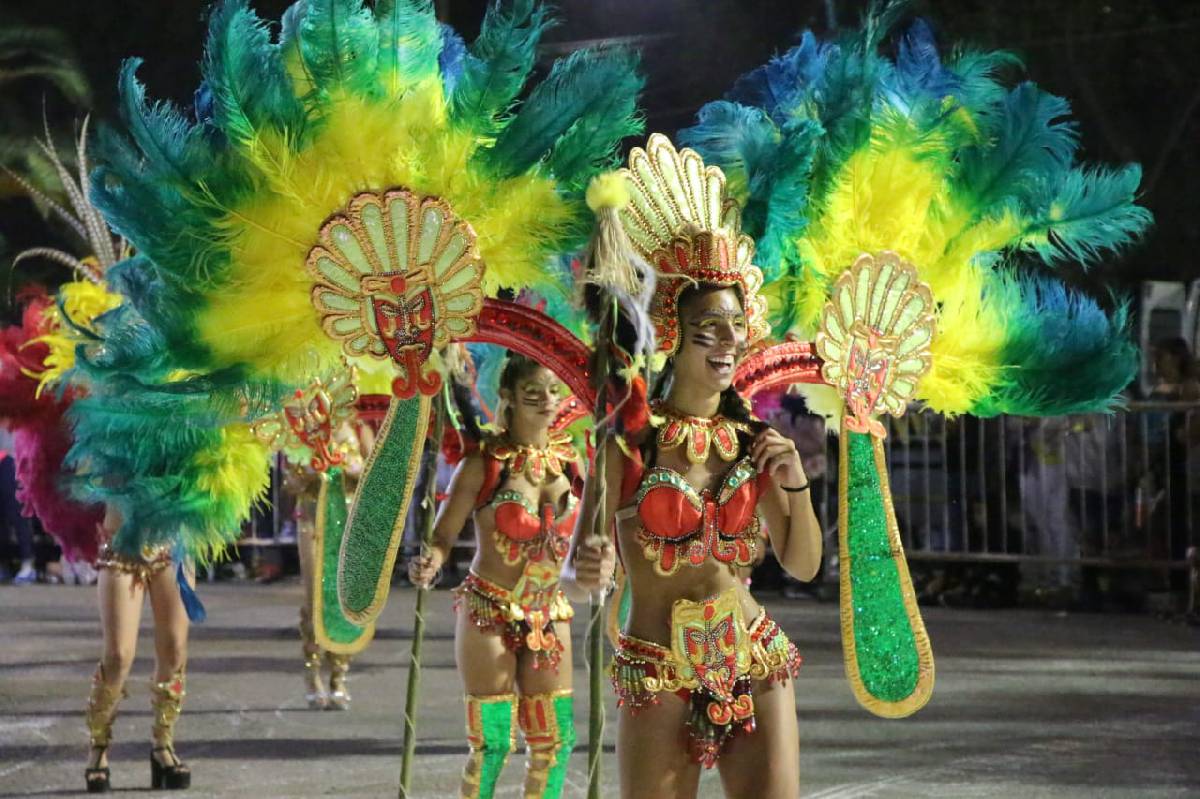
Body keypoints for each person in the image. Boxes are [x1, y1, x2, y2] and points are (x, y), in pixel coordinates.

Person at [566, 136, 822, 799]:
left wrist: (794, 480)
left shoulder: (753, 440)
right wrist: (586, 568)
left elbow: (803, 564)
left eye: (736, 328)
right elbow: (586, 557)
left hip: (750, 652)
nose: (730, 342)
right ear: (673, 334)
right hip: (657, 666)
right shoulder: (628, 441)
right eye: (710, 327)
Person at [409, 353, 582, 799]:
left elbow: (592, 534)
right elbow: (444, 535)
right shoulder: (483, 464)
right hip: (490, 608)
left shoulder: (571, 463)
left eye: (553, 391)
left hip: (549, 612)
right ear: (507, 398)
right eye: (533, 393)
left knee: (554, 742)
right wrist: (430, 556)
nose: (547, 401)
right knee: (492, 745)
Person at [84, 505, 192, 792]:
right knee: (118, 655)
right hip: (120, 546)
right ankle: (98, 747)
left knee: (175, 648)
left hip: (172, 546)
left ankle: (162, 744)